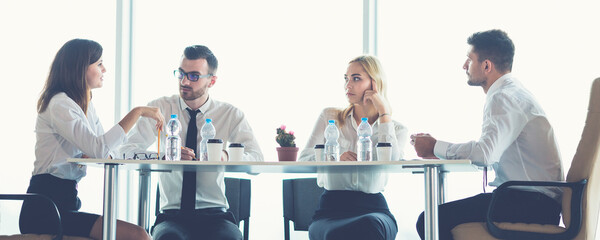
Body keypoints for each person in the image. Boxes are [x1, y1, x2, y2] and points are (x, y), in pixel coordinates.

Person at [411, 29, 564, 240]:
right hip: (536, 202)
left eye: (469, 59)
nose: (464, 66)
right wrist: (439, 150)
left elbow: (485, 155)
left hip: (530, 203)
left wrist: (435, 146)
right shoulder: (513, 92)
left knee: (430, 220)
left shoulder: (503, 96)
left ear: (486, 65)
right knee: (436, 218)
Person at [20, 39, 163, 240]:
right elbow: (100, 149)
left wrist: (160, 154)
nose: (104, 69)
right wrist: (137, 112)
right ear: (80, 68)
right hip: (44, 208)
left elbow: (106, 150)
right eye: (99, 63)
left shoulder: (83, 104)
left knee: (137, 233)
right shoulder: (59, 104)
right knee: (138, 235)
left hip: (66, 201)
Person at [118, 45, 263, 240]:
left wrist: (225, 156)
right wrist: (165, 156)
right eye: (181, 73)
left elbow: (257, 158)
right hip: (171, 215)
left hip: (216, 214)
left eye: (194, 76)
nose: (184, 81)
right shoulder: (159, 108)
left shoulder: (230, 114)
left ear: (211, 81)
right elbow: (124, 150)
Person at [298, 55, 408, 240]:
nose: (348, 85)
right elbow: (304, 159)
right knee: (338, 233)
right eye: (346, 78)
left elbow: (393, 161)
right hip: (331, 210)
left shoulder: (396, 129)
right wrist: (334, 158)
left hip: (375, 209)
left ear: (375, 83)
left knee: (370, 225)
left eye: (356, 78)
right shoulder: (329, 117)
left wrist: (384, 113)